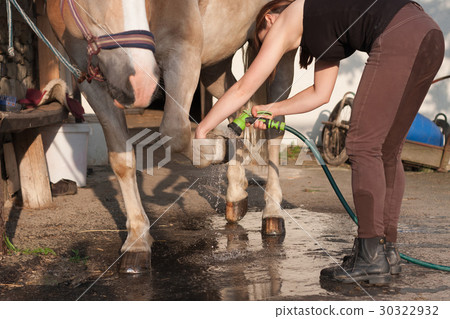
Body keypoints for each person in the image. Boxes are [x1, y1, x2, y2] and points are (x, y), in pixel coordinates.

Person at [195, 0, 445, 284]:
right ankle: (386, 252)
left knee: (363, 145)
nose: (264, 50)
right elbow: (319, 93)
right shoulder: (323, 24)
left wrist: (204, 127)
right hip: (428, 34)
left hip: (400, 35)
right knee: (387, 151)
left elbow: (243, 88)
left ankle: (369, 254)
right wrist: (273, 109)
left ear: (267, 20)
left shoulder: (287, 18)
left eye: (258, 41)